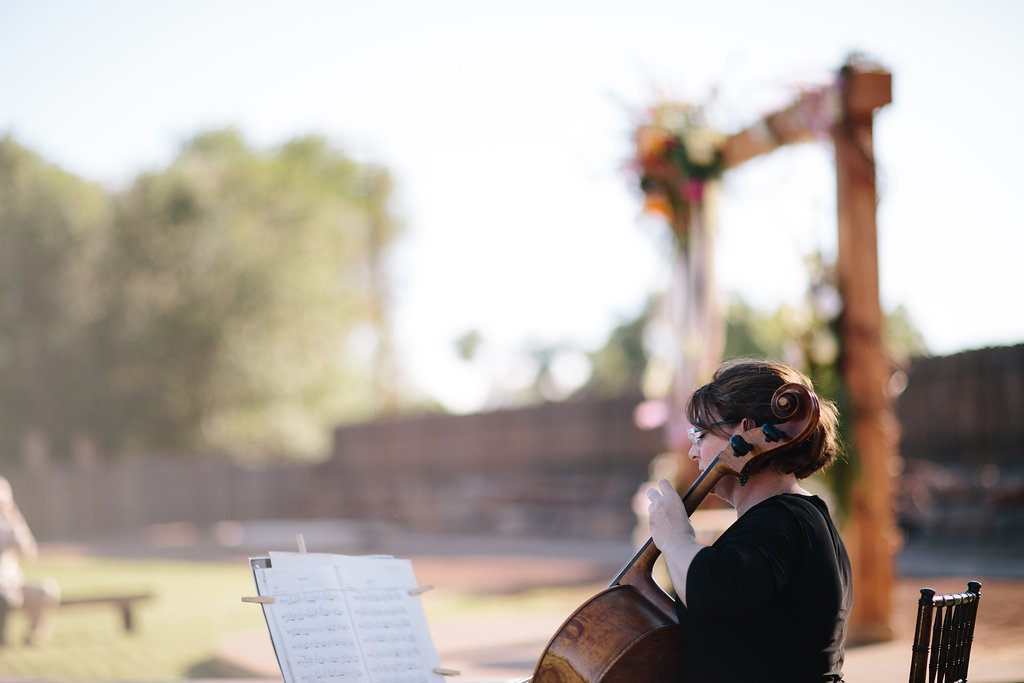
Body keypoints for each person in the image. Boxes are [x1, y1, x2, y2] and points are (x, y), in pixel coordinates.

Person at [646, 358, 852, 683]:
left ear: (743, 431)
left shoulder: (781, 520)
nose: (693, 452)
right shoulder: (797, 515)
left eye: (700, 434)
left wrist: (674, 536)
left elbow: (710, 593)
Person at [0, 476, 60, 645]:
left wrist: (14, 529)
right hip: (2, 588)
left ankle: (33, 634)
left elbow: (30, 552)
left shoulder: (13, 522)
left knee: (47, 590)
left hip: (13, 582)